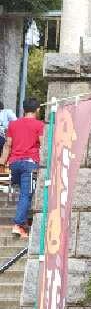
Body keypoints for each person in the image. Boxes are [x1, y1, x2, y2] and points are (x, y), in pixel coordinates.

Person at [0, 97, 44, 238]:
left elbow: (8, 145)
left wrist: (2, 163)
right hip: (29, 164)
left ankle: (23, 224)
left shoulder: (13, 124)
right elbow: (43, 145)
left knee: (22, 193)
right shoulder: (39, 125)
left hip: (14, 164)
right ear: (37, 109)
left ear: (24, 110)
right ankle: (18, 224)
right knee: (27, 194)